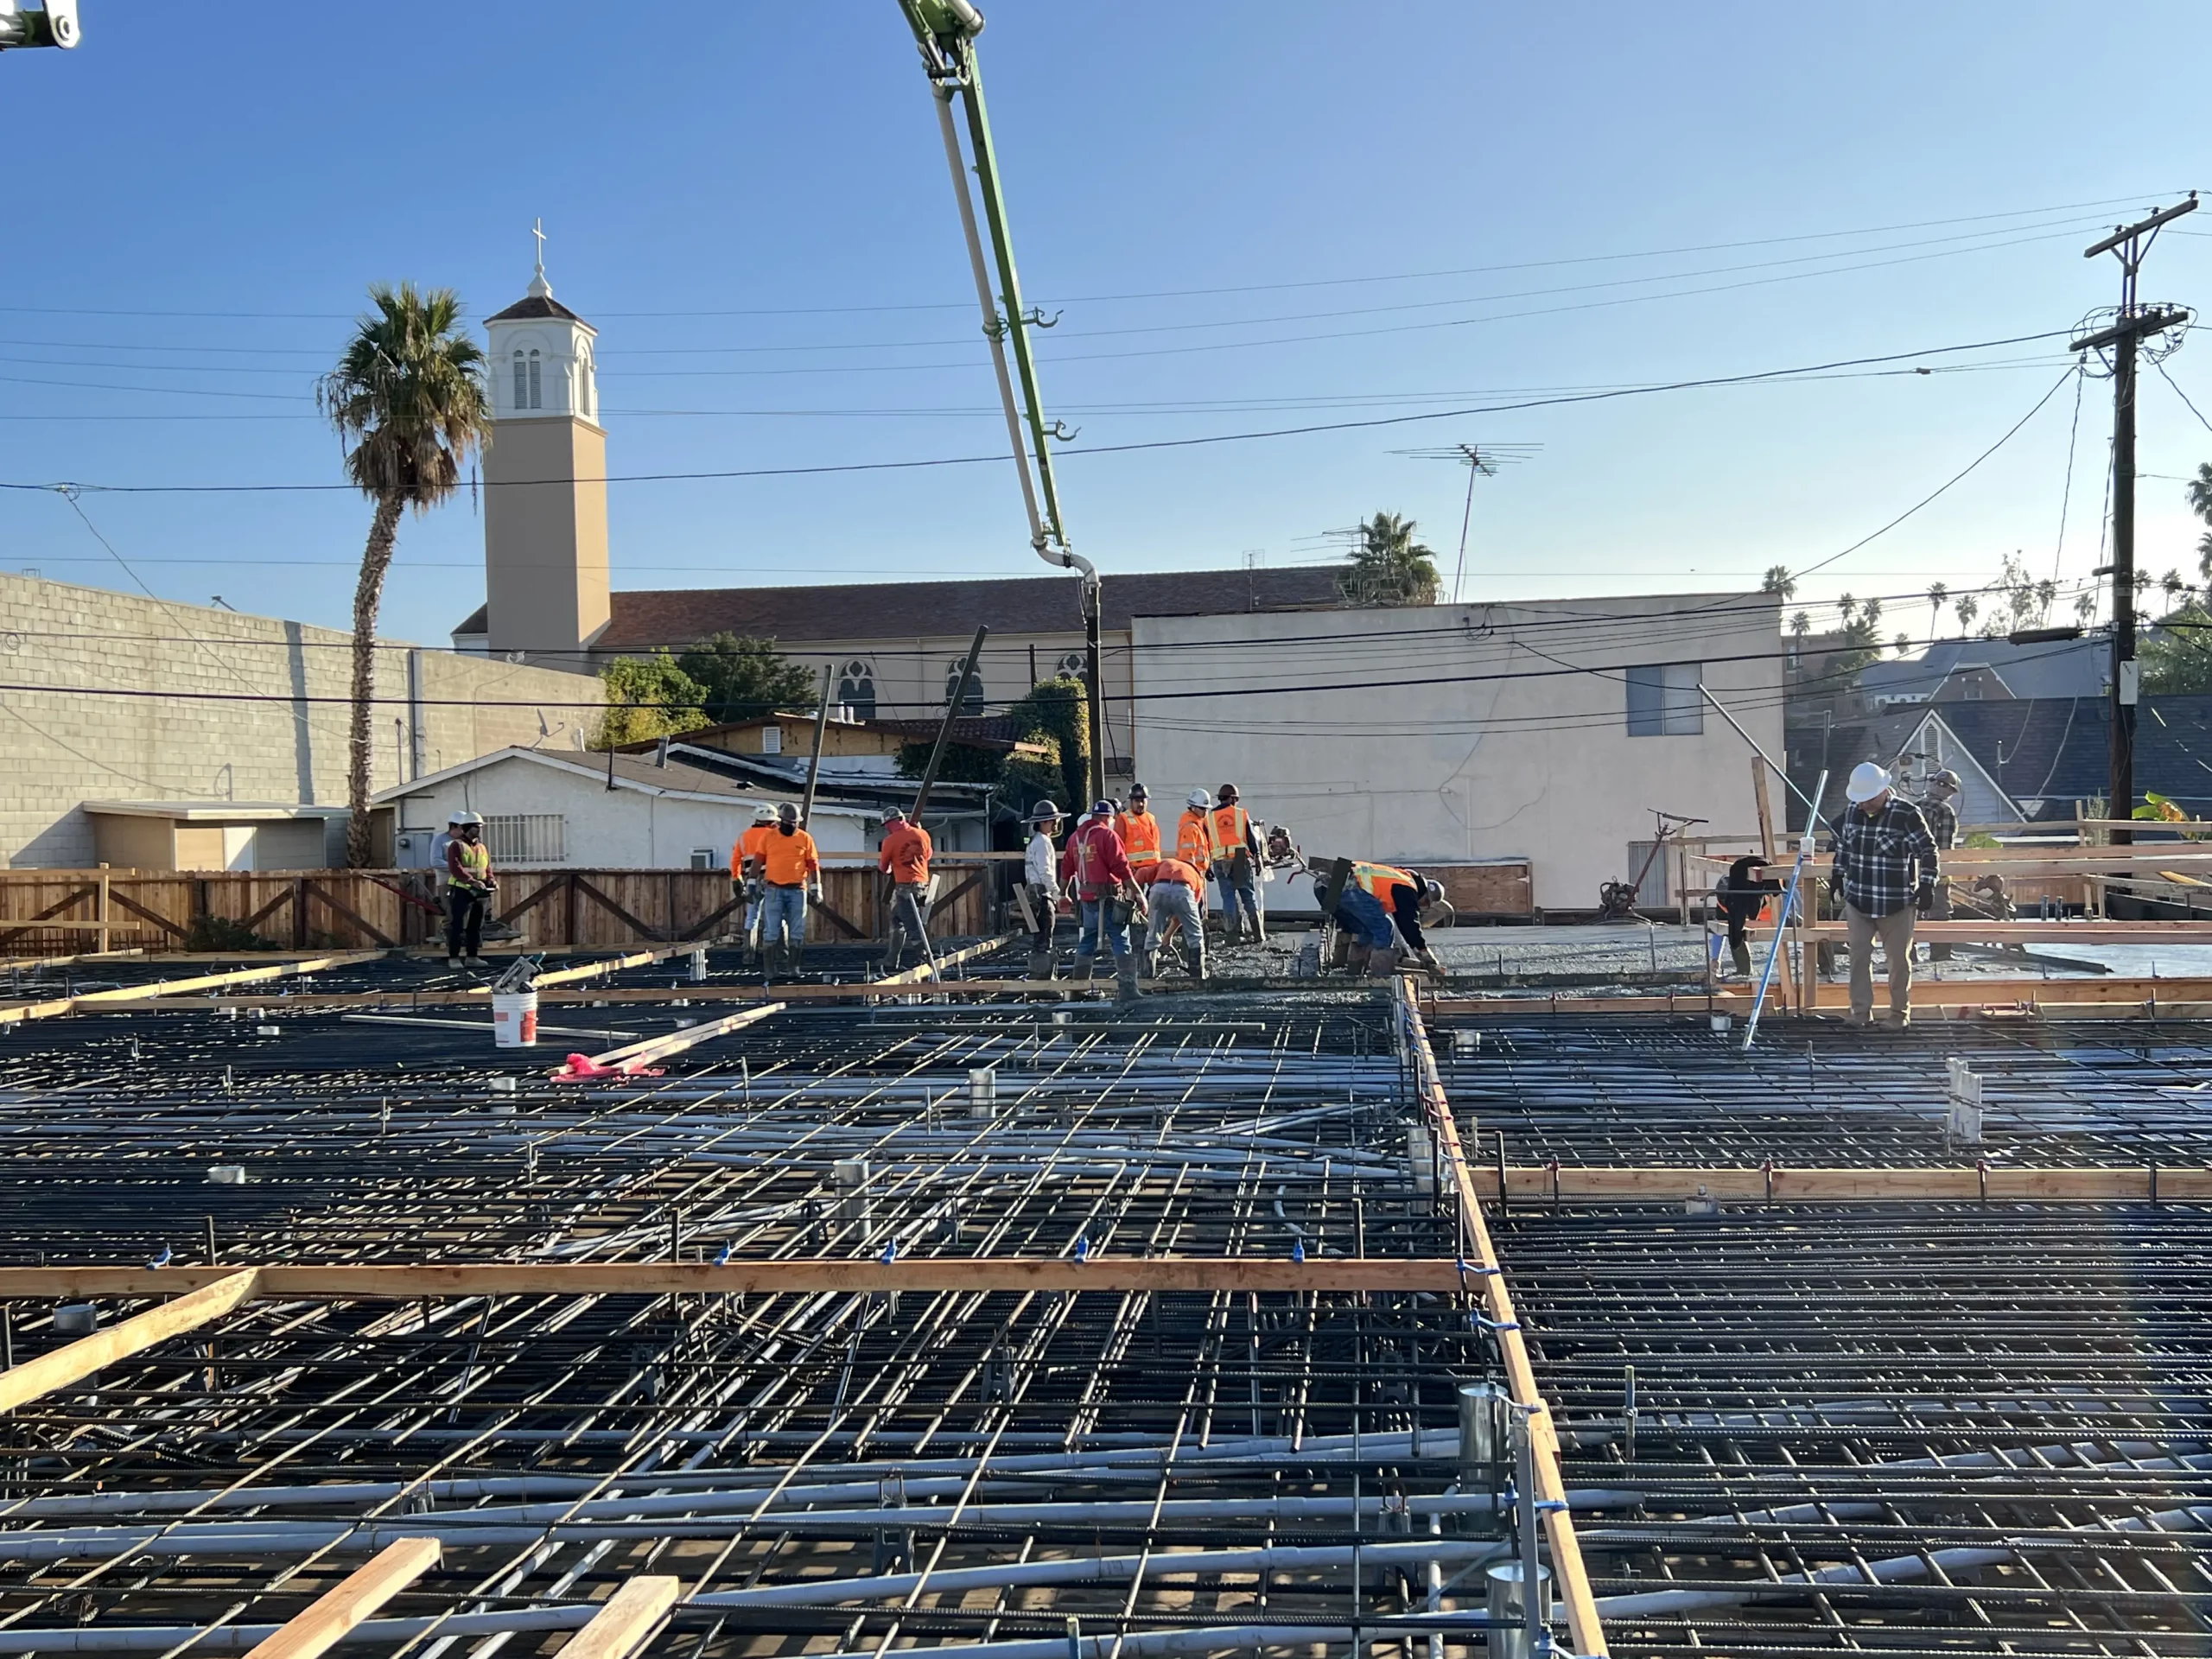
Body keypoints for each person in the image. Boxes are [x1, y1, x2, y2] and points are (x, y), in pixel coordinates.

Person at [1831, 760, 1940, 1028]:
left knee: (1898, 962)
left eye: (1866, 799)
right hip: (1859, 899)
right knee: (1858, 957)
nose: (1862, 805)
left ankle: (1898, 1015)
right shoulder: (1852, 813)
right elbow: (1844, 847)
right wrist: (1836, 873)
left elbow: (1928, 851)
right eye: (1858, 800)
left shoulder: (1906, 814)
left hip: (1897, 902)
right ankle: (1860, 1013)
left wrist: (1927, 884)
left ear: (1883, 791)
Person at [1065, 797, 1138, 1000]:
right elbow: (1121, 867)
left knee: (1087, 939)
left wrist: (1062, 894)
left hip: (1087, 899)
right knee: (1120, 940)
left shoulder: (1075, 838)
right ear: (1108, 818)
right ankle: (1128, 989)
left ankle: (1078, 989)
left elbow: (1066, 869)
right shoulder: (1108, 836)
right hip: (1109, 898)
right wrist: (1138, 892)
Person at [1325, 861, 1446, 977]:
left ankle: (1353, 973)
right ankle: (1381, 977)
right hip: (1352, 887)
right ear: (1424, 894)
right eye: (1424, 903)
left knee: (1365, 929)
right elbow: (1410, 925)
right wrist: (1424, 952)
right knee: (1385, 927)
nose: (1420, 905)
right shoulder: (1408, 887)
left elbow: (1403, 924)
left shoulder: (1400, 878)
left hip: (1332, 883)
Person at [758, 802, 823, 981]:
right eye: (789, 822)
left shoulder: (805, 838)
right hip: (774, 889)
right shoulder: (769, 837)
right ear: (781, 820)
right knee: (771, 931)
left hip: (797, 890)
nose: (792, 825)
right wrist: (750, 882)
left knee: (797, 931)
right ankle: (770, 970)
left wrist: (817, 888)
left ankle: (793, 968)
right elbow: (758, 859)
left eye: (795, 822)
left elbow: (813, 864)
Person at [1207, 783, 1266, 944]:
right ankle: (1258, 934)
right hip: (1239, 859)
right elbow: (1251, 837)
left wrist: (1206, 865)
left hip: (1219, 861)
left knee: (1228, 898)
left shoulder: (1209, 817)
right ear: (1233, 799)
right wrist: (1258, 856)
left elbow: (1205, 842)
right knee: (1248, 896)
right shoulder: (1240, 814)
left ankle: (1232, 937)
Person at [877, 806, 935, 970]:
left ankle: (926, 957)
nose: (887, 828)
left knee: (911, 924)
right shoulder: (923, 834)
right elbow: (928, 855)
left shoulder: (891, 841)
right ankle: (891, 958)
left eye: (887, 825)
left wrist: (891, 869)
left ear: (891, 822)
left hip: (906, 888)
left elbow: (883, 868)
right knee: (897, 919)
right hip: (923, 885)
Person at [1141, 855, 1209, 981]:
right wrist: (1168, 936)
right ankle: (1197, 976)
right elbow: (1183, 915)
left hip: (1158, 890)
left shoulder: (1165, 863)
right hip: (1183, 891)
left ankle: (1147, 977)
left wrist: (1134, 897)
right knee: (1195, 935)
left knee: (1152, 934)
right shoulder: (1196, 877)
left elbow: (1140, 873)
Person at [443, 810, 496, 969]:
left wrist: (491, 880)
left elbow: (486, 867)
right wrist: (471, 881)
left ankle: (472, 956)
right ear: (466, 827)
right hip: (462, 891)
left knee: (475, 926)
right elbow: (455, 868)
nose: (479, 830)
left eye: (480, 827)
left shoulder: (481, 847)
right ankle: (454, 958)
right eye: (475, 827)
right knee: (458, 925)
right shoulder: (457, 845)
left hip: (480, 892)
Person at [1716, 854, 1783, 978]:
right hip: (1753, 906)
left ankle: (1826, 965)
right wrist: (1715, 959)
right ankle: (1744, 970)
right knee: (1734, 930)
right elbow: (1720, 932)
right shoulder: (1727, 903)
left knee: (1802, 926)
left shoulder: (1777, 900)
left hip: (1772, 909)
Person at [1920, 768, 1962, 958]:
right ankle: (1941, 952)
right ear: (1949, 791)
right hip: (1934, 869)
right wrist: (1944, 873)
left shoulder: (1913, 806)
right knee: (1939, 910)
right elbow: (1944, 847)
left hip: (1909, 870)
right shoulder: (1945, 811)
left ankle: (1908, 953)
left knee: (1911, 912)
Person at [732, 803, 777, 961]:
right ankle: (771, 954)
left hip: (752, 880)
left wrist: (736, 878)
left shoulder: (744, 836)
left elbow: (736, 859)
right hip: (773, 880)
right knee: (773, 916)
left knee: (752, 916)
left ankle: (748, 954)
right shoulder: (775, 835)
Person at [1023, 800, 1063, 978]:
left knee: (1040, 937)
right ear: (1044, 822)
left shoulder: (1035, 842)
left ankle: (1039, 976)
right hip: (1042, 895)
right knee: (1044, 937)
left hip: (1035, 893)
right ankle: (1043, 979)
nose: (1056, 824)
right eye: (1053, 821)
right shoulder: (1042, 843)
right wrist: (1057, 895)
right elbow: (1045, 872)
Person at [1115, 785, 1163, 882]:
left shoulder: (1151, 818)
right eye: (1137, 801)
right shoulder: (1123, 818)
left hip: (1154, 870)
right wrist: (1125, 868)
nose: (1140, 804)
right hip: (1134, 871)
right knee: (1135, 897)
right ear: (1131, 801)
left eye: (1143, 801)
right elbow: (1118, 848)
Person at [1175, 789, 1213, 866]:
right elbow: (1186, 856)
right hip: (1192, 873)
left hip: (1198, 872)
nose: (1205, 811)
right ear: (1193, 807)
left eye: (1206, 808)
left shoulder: (1198, 826)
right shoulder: (1190, 828)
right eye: (1202, 808)